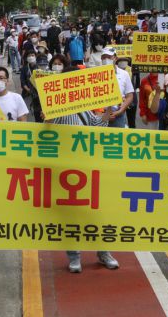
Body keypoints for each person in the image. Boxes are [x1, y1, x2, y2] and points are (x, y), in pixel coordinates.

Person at [46, 69, 119, 273]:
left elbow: (97, 125)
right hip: (67, 173)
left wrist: (107, 110)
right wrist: (50, 114)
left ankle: (104, 253)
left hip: (88, 170)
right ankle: (74, 256)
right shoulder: (58, 109)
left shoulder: (84, 109)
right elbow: (47, 125)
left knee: (96, 212)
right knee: (71, 215)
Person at [101, 47, 134, 128]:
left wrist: (121, 110)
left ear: (115, 58)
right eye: (103, 57)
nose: (106, 59)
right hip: (100, 115)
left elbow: (130, 96)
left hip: (118, 115)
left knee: (119, 139)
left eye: (109, 57)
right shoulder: (95, 75)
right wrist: (102, 114)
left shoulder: (124, 74)